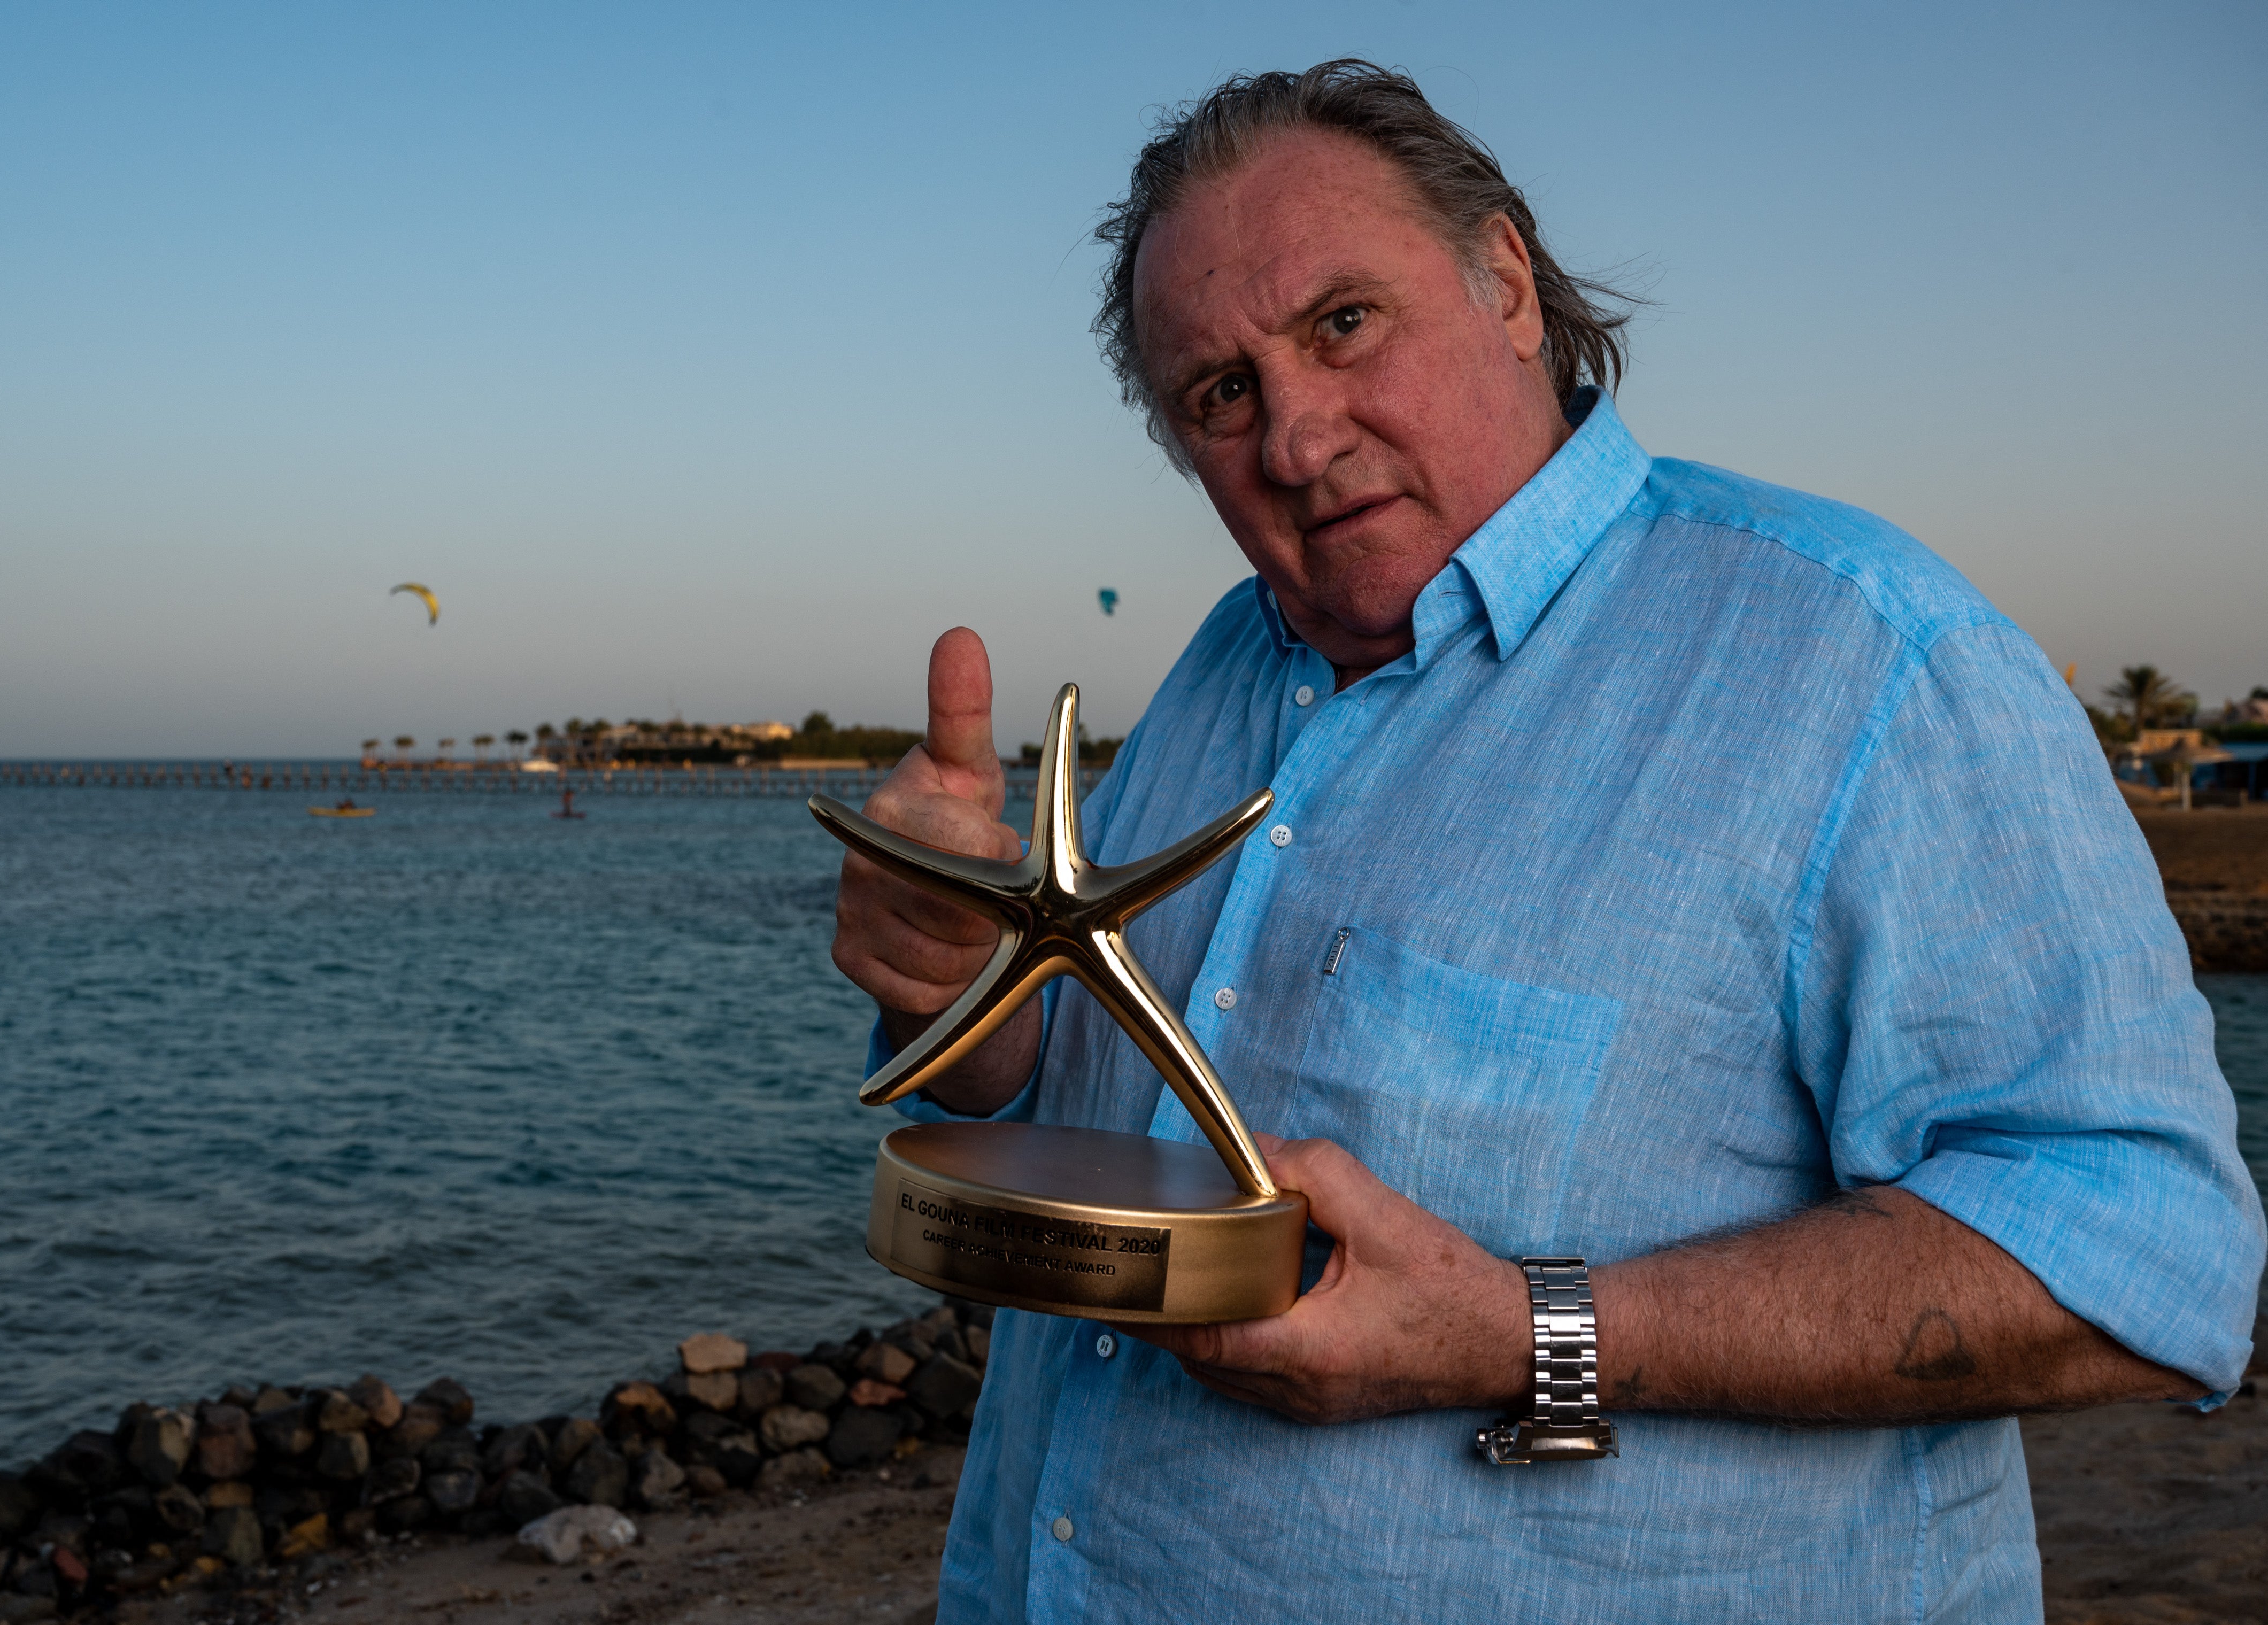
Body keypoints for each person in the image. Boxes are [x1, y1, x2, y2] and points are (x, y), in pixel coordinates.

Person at [827, 61, 2262, 1623]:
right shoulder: (1220, 670)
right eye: (1219, 393)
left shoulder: (1862, 659)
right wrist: (960, 997)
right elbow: (1082, 1109)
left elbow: (2147, 1257)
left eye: (1343, 323)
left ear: (1505, 284)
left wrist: (1525, 1334)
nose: (1295, 438)